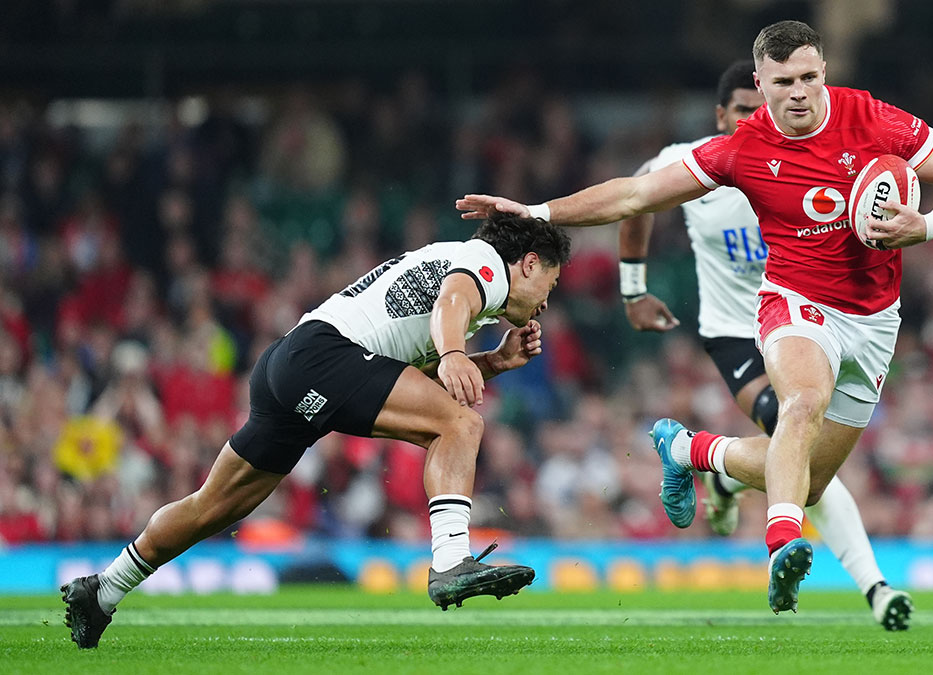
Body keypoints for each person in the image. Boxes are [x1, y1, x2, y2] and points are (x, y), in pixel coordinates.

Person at [457, 21, 933, 614]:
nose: (799, 92)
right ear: (760, 83)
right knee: (802, 403)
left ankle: (693, 451)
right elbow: (634, 197)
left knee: (812, 479)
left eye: (810, 78)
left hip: (874, 320)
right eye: (784, 81)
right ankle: (783, 544)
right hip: (795, 303)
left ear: (825, 75)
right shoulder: (744, 147)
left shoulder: (872, 120)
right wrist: (534, 210)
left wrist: (929, 224)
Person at [61, 214, 572, 648]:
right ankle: (451, 561)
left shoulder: (466, 292)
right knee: (461, 425)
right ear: (528, 263)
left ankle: (103, 591)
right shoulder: (484, 264)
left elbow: (408, 384)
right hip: (324, 356)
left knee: (211, 506)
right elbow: (451, 305)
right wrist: (458, 353)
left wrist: (491, 362)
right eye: (550, 282)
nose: (546, 300)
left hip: (292, 361)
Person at [618, 59, 912, 629]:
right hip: (737, 335)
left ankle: (712, 467)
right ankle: (874, 588)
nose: (758, 120)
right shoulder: (698, 163)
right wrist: (633, 288)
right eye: (744, 113)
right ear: (722, 115)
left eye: (761, 110)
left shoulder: (804, 163)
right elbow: (634, 204)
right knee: (795, 437)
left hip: (807, 320)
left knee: (809, 463)